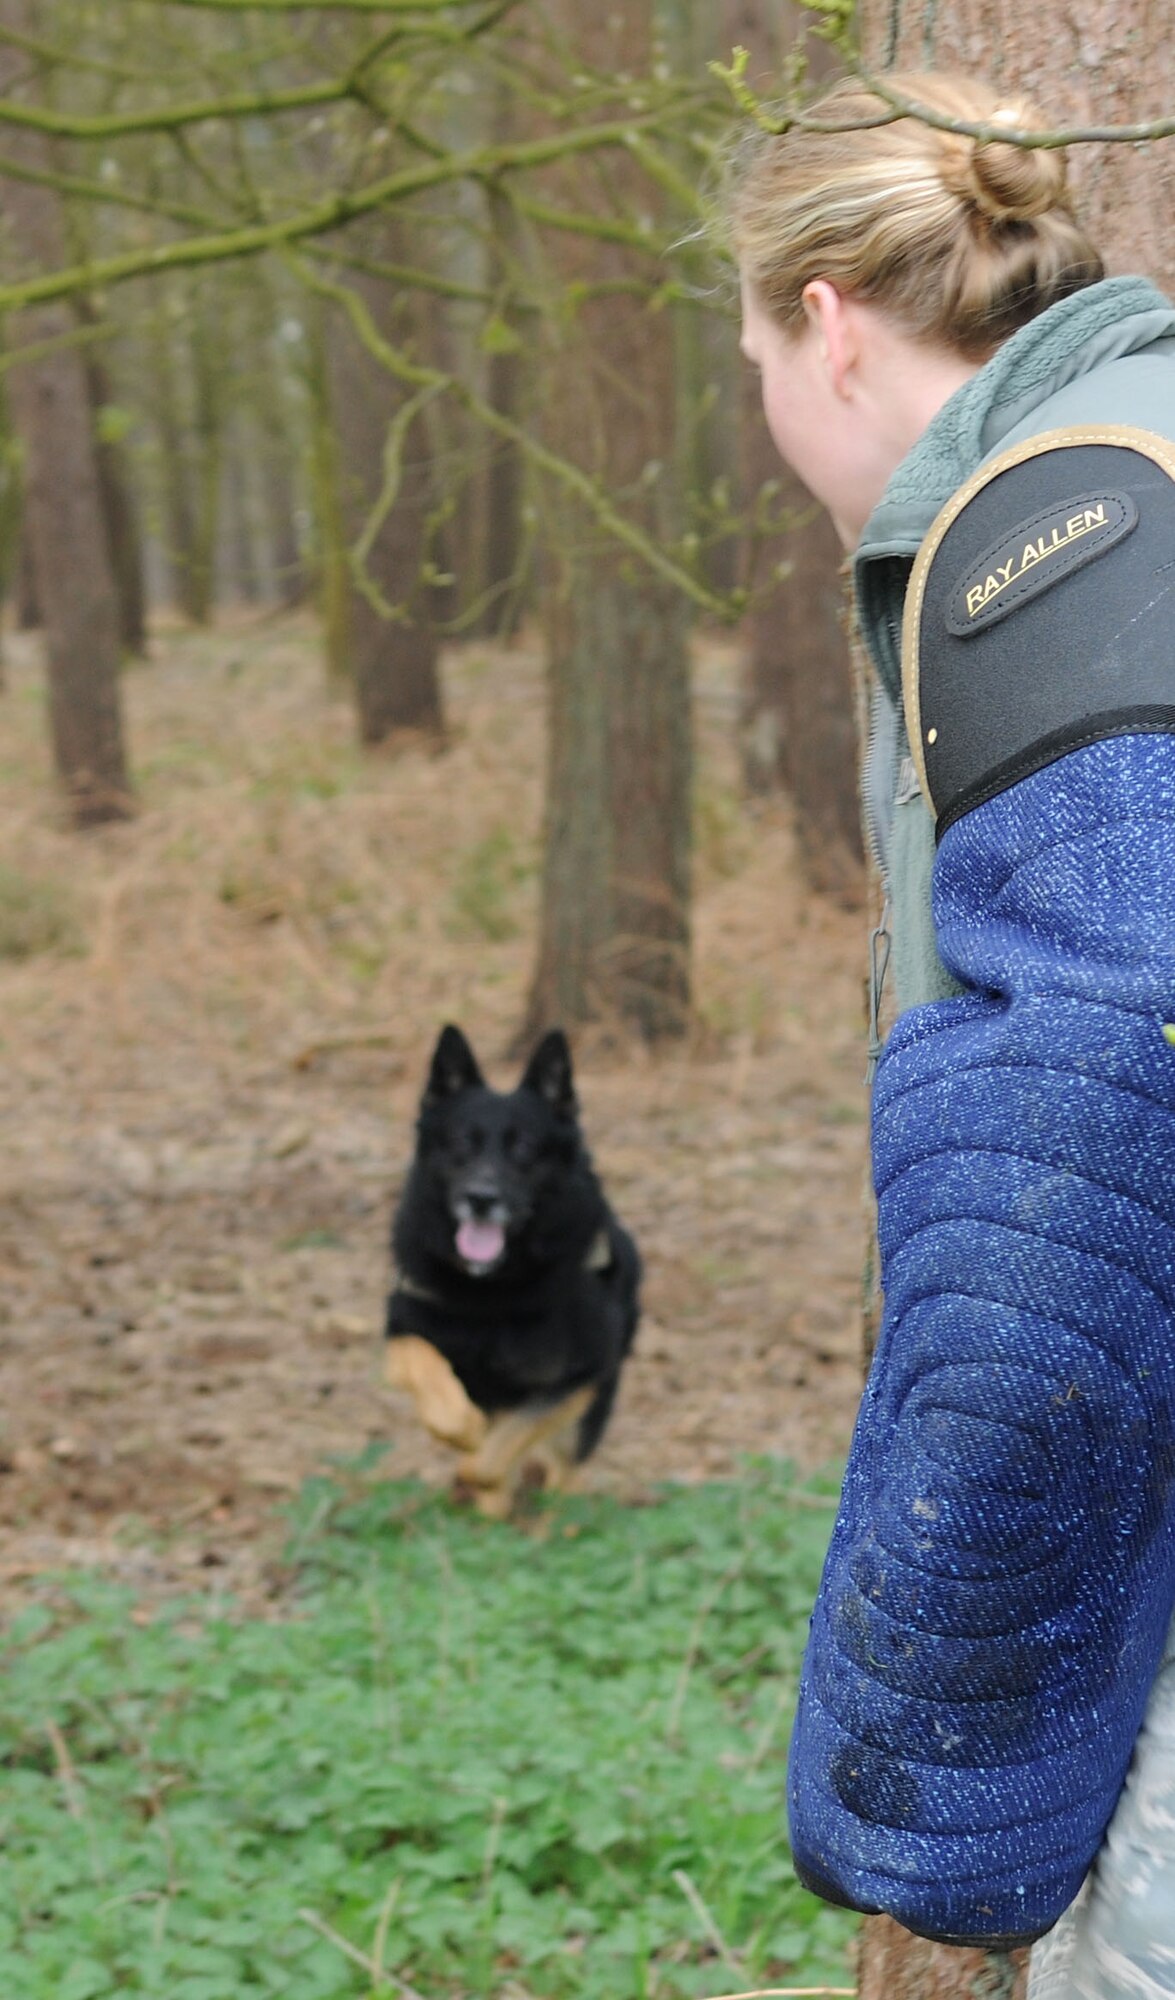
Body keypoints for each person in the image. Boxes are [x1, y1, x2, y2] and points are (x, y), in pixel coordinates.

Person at [728, 71, 1175, 1995]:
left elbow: (1058, 1244)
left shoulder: (1061, 550)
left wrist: (914, 1783)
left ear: (827, 323)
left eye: (747, 349)